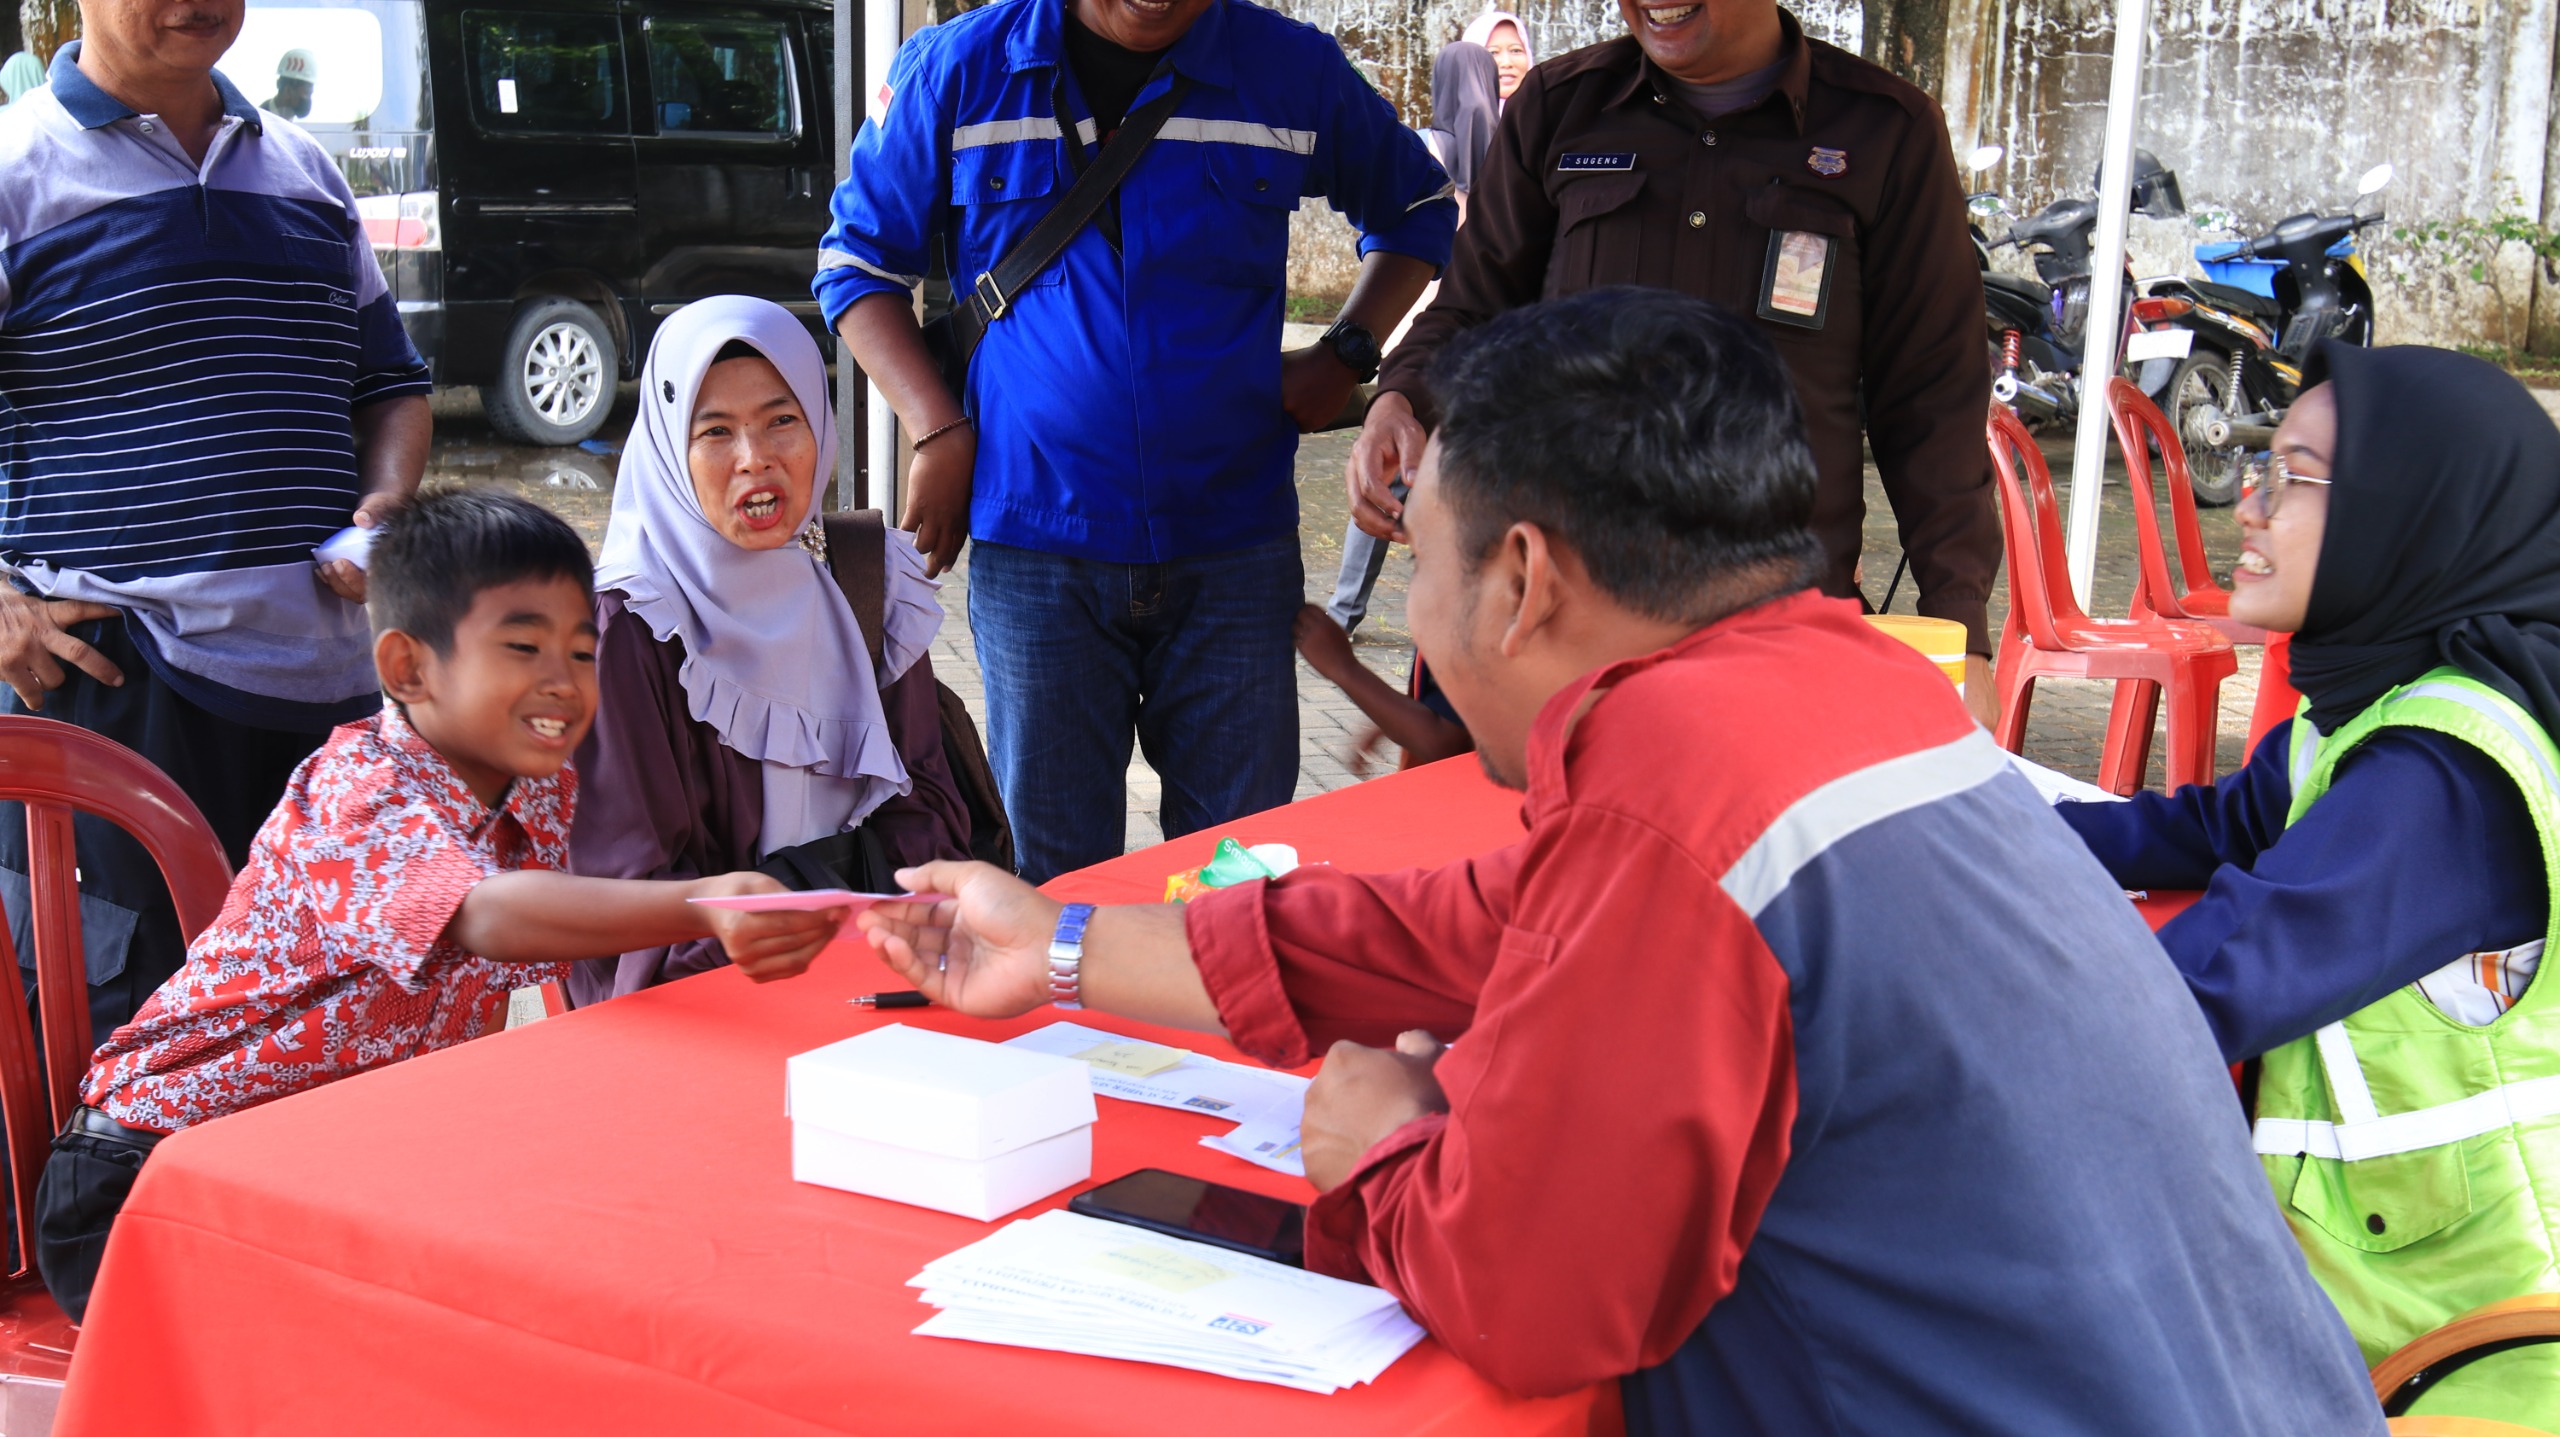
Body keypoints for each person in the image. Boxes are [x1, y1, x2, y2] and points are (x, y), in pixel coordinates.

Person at [856, 289, 2384, 1433]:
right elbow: (1449, 931)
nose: (1424, 631)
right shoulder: (1846, 688)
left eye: (1426, 566)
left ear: (1521, 581)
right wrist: (1052, 944)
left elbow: (1535, 1296)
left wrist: (1381, 1149)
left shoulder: (1680, 797)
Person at [30, 490, 843, 1324]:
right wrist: (703, 904)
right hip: (147, 1182)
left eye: (581, 651)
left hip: (323, 1177)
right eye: (523, 647)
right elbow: (481, 914)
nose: (561, 682)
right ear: (407, 668)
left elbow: (483, 992)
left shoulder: (540, 789)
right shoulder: (357, 788)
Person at [816, 0, 1457, 884]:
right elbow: (855, 267)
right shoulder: (957, 71)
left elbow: (1420, 206)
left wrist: (1349, 349)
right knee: (1052, 880)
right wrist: (940, 428)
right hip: (1040, 553)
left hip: (1234, 550)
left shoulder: (1285, 67)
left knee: (1240, 875)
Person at [2053, 345, 2560, 1426]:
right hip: (2363, 1308)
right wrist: (1988, 836)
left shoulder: (2445, 777)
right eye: (2257, 467)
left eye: (2291, 476)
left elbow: (2202, 981)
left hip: (2463, 1359)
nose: (2247, 506)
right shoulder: (2371, 709)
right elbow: (2210, 823)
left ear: (2408, 511)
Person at [1352, 0, 2002, 723]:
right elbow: (1471, 309)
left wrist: (1961, 628)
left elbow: (1933, 401)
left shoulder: (1885, 131)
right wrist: (1399, 400)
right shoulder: (1560, 108)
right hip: (1564, 638)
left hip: (1775, 638)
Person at [0, 6, 433, 1046]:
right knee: (120, 1049)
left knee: (316, 1040)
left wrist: (382, 507)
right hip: (118, 693)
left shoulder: (305, 175)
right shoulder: (20, 167)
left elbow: (391, 386)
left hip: (325, 709)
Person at [568, 297, 973, 1002]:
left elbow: (930, 805)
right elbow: (623, 890)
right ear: (669, 447)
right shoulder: (633, 627)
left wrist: (837, 916)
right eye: (715, 431)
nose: (755, 460)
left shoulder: (864, 577)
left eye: (782, 421)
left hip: (878, 973)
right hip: (714, 1007)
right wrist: (785, 922)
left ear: (819, 420)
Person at [1336, 39, 1502, 634]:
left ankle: (1455, 613)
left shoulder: (1518, 151)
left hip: (1487, 344)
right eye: (1482, 67)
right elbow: (1402, 225)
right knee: (1393, 467)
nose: (1480, 94)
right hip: (1426, 332)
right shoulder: (1428, 151)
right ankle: (1347, 608)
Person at [1291, 603, 1470, 773]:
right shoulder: (1455, 604)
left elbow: (1446, 743)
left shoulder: (1468, 611)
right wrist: (1389, 723)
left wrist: (1344, 669)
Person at [1461, 11, 1533, 103]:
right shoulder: (1456, 116)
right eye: (1493, 53)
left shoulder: (1549, 112)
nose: (1507, 63)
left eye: (1516, 50)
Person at [260, 46, 313, 120]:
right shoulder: (258, 121)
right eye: (307, 93)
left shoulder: (292, 125)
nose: (308, 100)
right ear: (287, 91)